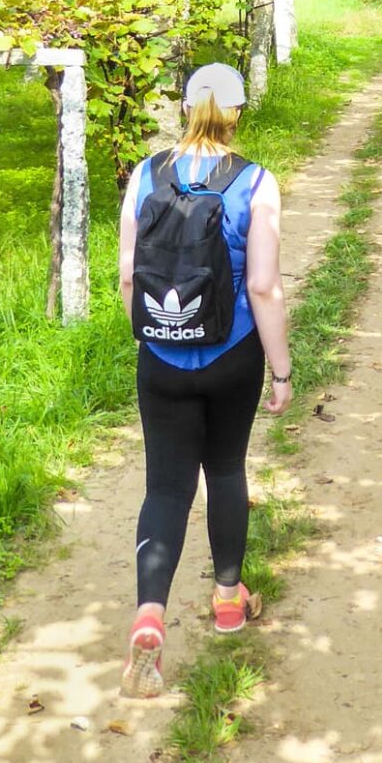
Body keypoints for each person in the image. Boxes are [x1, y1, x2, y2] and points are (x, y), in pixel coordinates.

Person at [117, 61, 292, 697]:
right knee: (224, 468)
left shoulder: (145, 174)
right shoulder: (256, 182)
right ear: (237, 111)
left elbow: (129, 278)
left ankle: (150, 617)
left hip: (161, 352)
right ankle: (226, 599)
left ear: (184, 105)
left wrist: (154, 341)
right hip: (233, 352)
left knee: (165, 486)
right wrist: (281, 370)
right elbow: (264, 287)